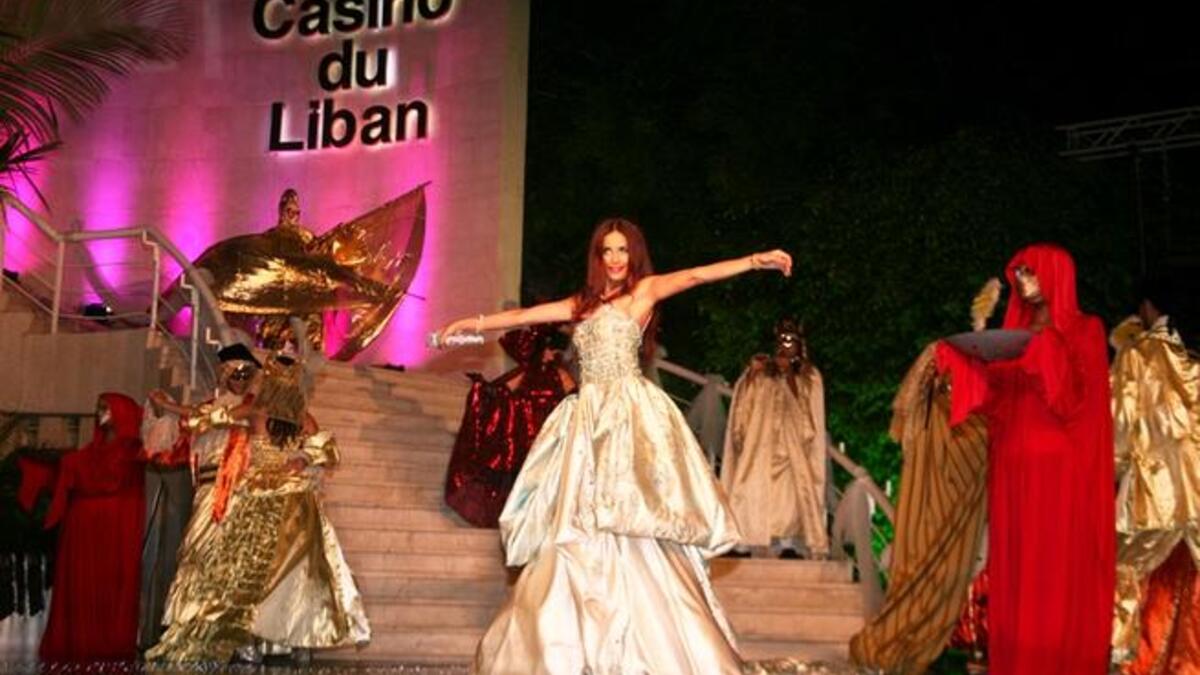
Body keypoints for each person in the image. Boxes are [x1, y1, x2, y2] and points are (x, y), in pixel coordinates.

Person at [436, 217, 792, 674]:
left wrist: (755, 261)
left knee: (632, 517)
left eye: (623, 250)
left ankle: (648, 641)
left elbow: (697, 275)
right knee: (574, 525)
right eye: (608, 250)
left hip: (628, 416)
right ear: (598, 257)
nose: (616, 258)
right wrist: (472, 322)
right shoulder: (581, 305)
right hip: (585, 419)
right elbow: (525, 316)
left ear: (634, 254)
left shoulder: (644, 293)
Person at [935, 243, 1114, 674]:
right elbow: (993, 400)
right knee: (1016, 570)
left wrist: (1040, 345)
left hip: (1060, 471)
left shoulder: (1085, 330)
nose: (1023, 282)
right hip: (1014, 466)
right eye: (1017, 275)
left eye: (1031, 272)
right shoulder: (1013, 334)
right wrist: (972, 351)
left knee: (1055, 568)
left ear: (1057, 275)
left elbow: (1075, 401)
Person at [147, 342, 369, 664]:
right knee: (249, 573)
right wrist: (171, 407)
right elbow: (205, 417)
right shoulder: (255, 410)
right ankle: (250, 636)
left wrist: (303, 459)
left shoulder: (302, 418)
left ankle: (288, 637)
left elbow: (326, 450)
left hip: (292, 501)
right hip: (256, 497)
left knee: (292, 573)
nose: (277, 384)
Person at [141, 343, 261, 651]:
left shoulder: (252, 403)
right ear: (224, 374)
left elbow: (216, 417)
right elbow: (195, 419)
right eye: (235, 373)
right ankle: (195, 626)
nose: (241, 379)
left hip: (235, 491)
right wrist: (170, 409)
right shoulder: (211, 405)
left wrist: (189, 413)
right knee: (196, 553)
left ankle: (232, 635)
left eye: (246, 374)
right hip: (206, 490)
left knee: (233, 560)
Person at [1109, 276, 1200, 673]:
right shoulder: (1193, 356)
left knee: (1125, 572)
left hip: (1151, 494)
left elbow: (1117, 431)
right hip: (1197, 491)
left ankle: (1123, 659)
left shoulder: (1137, 355)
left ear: (1148, 308)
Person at [17, 393, 145, 662]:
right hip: (81, 531)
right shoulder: (88, 453)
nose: (99, 413)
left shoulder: (132, 451)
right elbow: (70, 477)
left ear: (122, 413)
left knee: (107, 589)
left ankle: (104, 651)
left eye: (105, 408)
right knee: (78, 591)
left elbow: (120, 489)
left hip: (111, 532)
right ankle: (75, 649)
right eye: (98, 408)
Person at [444, 324, 575, 527]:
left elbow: (575, 400)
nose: (553, 355)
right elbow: (500, 394)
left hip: (551, 436)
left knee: (547, 479)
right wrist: (481, 389)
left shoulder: (561, 375)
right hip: (527, 437)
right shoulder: (526, 373)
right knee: (524, 478)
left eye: (555, 351)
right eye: (549, 350)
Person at [722, 318, 829, 559]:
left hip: (793, 447)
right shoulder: (764, 371)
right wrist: (751, 374)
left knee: (790, 499)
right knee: (750, 488)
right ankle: (745, 542)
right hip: (760, 445)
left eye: (792, 340)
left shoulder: (808, 374)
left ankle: (788, 543)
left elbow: (810, 413)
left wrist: (789, 374)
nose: (786, 344)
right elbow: (744, 405)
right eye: (783, 340)